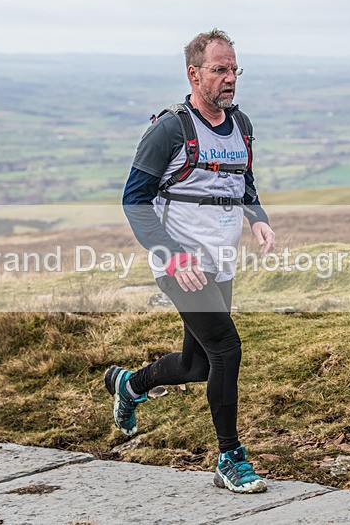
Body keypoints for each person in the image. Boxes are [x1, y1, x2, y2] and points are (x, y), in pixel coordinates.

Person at [105, 28, 275, 494]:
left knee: (197, 364)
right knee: (227, 349)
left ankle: (131, 385)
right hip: (181, 264)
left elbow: (244, 183)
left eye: (234, 69)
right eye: (219, 69)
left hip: (220, 262)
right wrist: (174, 255)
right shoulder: (170, 129)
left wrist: (257, 218)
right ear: (194, 73)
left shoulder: (241, 126)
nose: (230, 79)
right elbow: (134, 201)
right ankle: (229, 458)